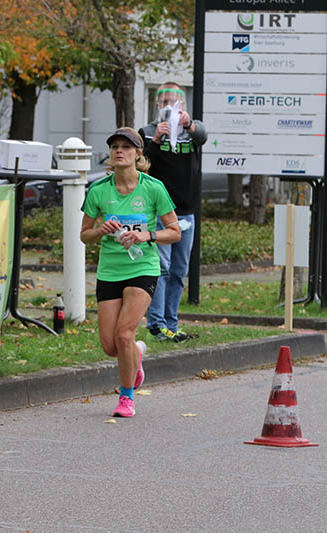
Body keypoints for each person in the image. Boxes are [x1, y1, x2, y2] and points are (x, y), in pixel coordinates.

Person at [80, 127, 181, 418]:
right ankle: (136, 353)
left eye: (127, 147)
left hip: (143, 268)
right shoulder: (99, 190)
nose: (119, 151)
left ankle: (126, 398)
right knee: (111, 346)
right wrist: (101, 230)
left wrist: (146, 235)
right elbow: (84, 235)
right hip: (110, 270)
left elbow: (174, 232)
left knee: (124, 333)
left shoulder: (153, 188)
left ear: (138, 155)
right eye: (115, 147)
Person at [139, 83, 207, 342]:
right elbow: (141, 163)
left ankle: (171, 323)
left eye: (175, 102)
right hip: (159, 212)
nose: (169, 106)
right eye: (164, 101)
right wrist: (156, 140)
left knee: (179, 269)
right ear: (157, 106)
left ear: (184, 107)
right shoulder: (146, 132)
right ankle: (156, 325)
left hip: (187, 211)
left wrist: (188, 125)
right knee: (162, 267)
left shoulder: (192, 131)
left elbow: (203, 135)